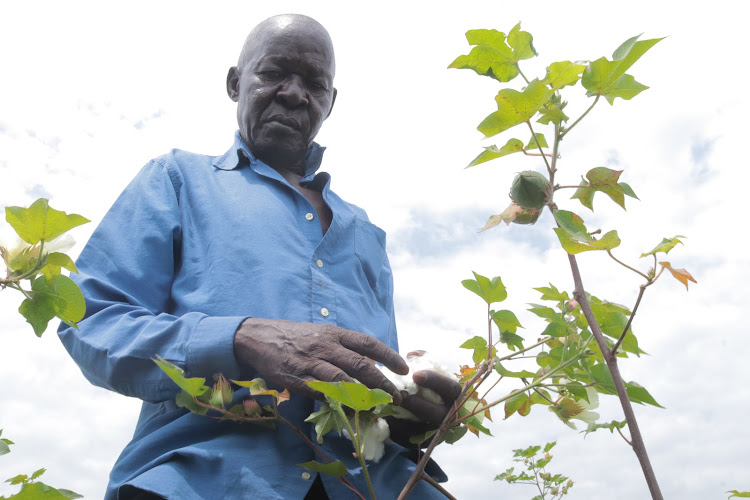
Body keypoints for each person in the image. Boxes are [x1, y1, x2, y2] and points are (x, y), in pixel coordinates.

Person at [59, 14, 460, 500]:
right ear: (235, 83)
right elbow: (90, 321)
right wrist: (241, 338)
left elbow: (373, 391)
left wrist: (414, 411)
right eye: (274, 73)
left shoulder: (366, 233)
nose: (295, 93)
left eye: (315, 83)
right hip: (205, 479)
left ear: (330, 103)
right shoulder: (178, 179)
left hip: (375, 486)